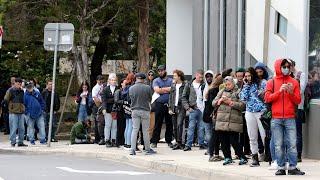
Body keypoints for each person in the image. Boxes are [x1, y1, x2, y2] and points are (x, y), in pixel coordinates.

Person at [264, 58, 305, 175]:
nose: (286, 69)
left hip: (290, 117)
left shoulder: (294, 82)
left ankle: (292, 167)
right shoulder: (271, 82)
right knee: (278, 144)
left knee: (292, 143)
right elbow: (267, 98)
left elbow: (298, 101)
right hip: (276, 118)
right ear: (278, 67)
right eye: (284, 66)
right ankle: (281, 167)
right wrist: (279, 92)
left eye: (288, 66)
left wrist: (291, 92)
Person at [212, 76, 248, 165]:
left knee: (234, 141)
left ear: (233, 83)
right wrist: (219, 101)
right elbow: (213, 103)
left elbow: (243, 105)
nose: (227, 86)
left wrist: (230, 102)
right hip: (221, 120)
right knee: (223, 141)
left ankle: (242, 157)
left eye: (229, 84)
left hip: (234, 121)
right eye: (226, 84)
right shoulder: (221, 91)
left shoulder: (238, 92)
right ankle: (227, 157)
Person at [240, 67, 267, 167]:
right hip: (249, 112)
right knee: (252, 136)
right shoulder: (246, 85)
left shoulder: (262, 82)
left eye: (249, 76)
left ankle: (270, 157)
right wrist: (246, 85)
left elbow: (265, 96)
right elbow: (243, 98)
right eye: (246, 76)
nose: (247, 78)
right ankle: (255, 158)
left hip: (261, 112)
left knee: (264, 136)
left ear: (253, 75)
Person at [129, 73, 156, 155]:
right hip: (145, 110)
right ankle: (147, 149)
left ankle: (132, 149)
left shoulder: (131, 88)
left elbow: (131, 98)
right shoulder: (147, 88)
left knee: (135, 129)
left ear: (136, 79)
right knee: (145, 131)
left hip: (135, 110)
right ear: (144, 79)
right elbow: (150, 98)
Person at [181, 69, 206, 151]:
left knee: (201, 127)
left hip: (201, 109)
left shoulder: (204, 85)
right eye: (200, 77)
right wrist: (187, 108)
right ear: (196, 75)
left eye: (202, 77)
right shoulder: (189, 84)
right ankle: (188, 145)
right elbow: (183, 97)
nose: (201, 79)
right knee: (191, 127)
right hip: (193, 108)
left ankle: (201, 144)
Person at [150, 65, 173, 148]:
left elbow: (172, 89)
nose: (160, 72)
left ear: (165, 71)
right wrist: (167, 90)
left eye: (162, 70)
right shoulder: (156, 80)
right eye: (159, 71)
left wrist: (161, 89)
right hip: (159, 104)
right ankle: (154, 141)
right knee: (157, 123)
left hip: (169, 104)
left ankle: (169, 140)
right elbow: (157, 90)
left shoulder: (171, 80)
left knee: (169, 123)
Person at [290, 60, 307, 163]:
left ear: (293, 65)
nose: (287, 68)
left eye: (289, 66)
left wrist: (290, 90)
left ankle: (298, 155)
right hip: (287, 107)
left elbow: (301, 90)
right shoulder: (285, 76)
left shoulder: (301, 74)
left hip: (298, 107)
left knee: (297, 132)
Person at [4, 77, 28, 147]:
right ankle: (13, 141)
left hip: (21, 112)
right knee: (13, 128)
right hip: (13, 112)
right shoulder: (10, 90)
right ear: (14, 83)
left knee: (22, 128)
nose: (19, 85)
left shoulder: (22, 91)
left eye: (20, 84)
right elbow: (6, 99)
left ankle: (20, 142)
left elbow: (23, 100)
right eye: (18, 84)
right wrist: (10, 107)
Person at [206, 74, 224, 162]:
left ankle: (216, 154)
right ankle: (211, 154)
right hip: (215, 115)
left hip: (216, 115)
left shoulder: (213, 89)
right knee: (214, 135)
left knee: (217, 136)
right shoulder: (214, 91)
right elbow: (212, 104)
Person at [254, 62, 270, 162]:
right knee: (256, 135)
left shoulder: (266, 82)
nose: (259, 74)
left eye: (261, 71)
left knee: (264, 134)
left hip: (263, 110)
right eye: (257, 72)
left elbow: (266, 96)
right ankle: (260, 153)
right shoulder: (253, 83)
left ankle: (268, 154)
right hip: (253, 110)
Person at [168, 69, 186, 150]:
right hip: (173, 107)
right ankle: (177, 142)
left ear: (179, 76)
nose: (173, 77)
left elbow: (187, 96)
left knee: (180, 124)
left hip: (181, 107)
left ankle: (180, 142)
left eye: (175, 76)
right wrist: (169, 108)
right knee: (174, 126)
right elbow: (170, 97)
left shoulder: (185, 85)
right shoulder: (173, 85)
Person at [101, 73, 119, 147]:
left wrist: (111, 100)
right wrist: (104, 108)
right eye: (112, 80)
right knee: (108, 125)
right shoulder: (105, 89)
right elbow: (104, 100)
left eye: (114, 80)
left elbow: (118, 100)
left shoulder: (118, 89)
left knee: (114, 126)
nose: (113, 81)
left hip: (115, 110)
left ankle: (113, 140)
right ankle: (107, 140)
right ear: (109, 80)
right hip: (108, 110)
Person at [113, 78, 127, 147]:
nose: (126, 84)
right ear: (121, 83)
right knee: (120, 127)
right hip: (120, 110)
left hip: (125, 110)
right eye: (125, 83)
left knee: (125, 126)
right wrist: (124, 102)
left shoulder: (127, 91)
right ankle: (118, 142)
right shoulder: (118, 91)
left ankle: (123, 141)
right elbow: (116, 101)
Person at [91, 75, 104, 144]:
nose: (101, 81)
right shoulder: (95, 88)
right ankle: (97, 138)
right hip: (97, 106)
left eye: (102, 79)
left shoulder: (103, 86)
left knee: (101, 122)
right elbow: (95, 97)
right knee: (97, 122)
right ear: (97, 80)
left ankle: (102, 137)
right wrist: (99, 105)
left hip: (102, 105)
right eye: (99, 80)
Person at [147, 70, 156, 139]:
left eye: (152, 75)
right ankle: (143, 138)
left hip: (153, 104)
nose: (150, 76)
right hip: (146, 105)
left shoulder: (155, 83)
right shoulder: (145, 83)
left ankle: (150, 138)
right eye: (149, 74)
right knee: (145, 124)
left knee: (152, 124)